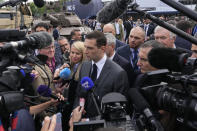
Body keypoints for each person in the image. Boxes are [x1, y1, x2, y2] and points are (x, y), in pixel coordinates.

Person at [73, 31, 129, 118]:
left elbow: (118, 111)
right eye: (85, 47)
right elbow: (79, 94)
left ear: (103, 48)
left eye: (90, 48)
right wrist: (75, 113)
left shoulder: (118, 73)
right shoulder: (85, 65)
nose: (85, 51)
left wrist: (90, 122)